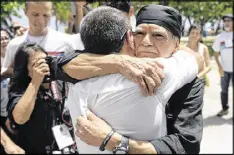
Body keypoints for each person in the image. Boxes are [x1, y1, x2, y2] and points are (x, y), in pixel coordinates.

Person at [69, 4, 204, 154]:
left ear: (176, 45)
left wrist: (111, 140)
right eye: (139, 33)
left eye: (158, 35)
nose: (146, 41)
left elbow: (186, 145)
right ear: (130, 38)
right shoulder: (98, 70)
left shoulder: (188, 83)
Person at [7, 43, 63, 153]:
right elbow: (20, 118)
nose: (43, 65)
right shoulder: (20, 89)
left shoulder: (60, 83)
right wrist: (35, 82)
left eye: (45, 60)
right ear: (26, 70)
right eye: (36, 64)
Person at [1, 1, 74, 80]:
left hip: (58, 91)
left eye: (45, 15)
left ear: (51, 13)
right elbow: (5, 71)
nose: (41, 20)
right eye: (35, 15)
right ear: (25, 12)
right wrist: (27, 71)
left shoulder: (66, 41)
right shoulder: (14, 44)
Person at [212, 14, 233, 117]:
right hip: (224, 69)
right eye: (225, 21)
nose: (227, 22)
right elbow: (216, 52)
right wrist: (219, 67)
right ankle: (225, 109)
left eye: (229, 20)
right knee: (224, 90)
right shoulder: (220, 37)